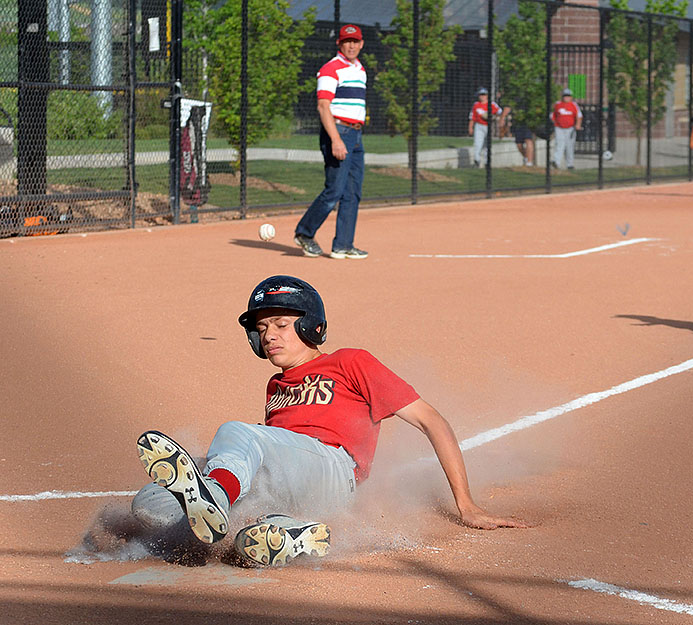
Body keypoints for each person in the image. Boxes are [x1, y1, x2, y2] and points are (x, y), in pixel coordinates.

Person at [133, 275, 528, 567]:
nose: (269, 335)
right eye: (262, 329)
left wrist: (466, 504)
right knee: (149, 502)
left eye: (281, 325)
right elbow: (277, 451)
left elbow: (432, 422)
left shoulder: (349, 361)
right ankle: (286, 533)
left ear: (310, 326)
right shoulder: (275, 386)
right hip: (298, 481)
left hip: (334, 470)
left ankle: (217, 496)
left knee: (235, 435)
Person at [293, 24, 368, 260]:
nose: (352, 45)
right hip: (338, 132)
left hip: (355, 135)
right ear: (340, 44)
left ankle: (343, 245)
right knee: (335, 190)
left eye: (355, 41)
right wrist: (336, 139)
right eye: (347, 41)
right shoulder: (330, 69)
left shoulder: (360, 70)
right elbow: (323, 106)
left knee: (353, 192)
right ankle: (305, 233)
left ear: (361, 43)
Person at [468, 87, 502, 168]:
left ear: (487, 96)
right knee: (477, 143)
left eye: (484, 95)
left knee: (487, 145)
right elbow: (472, 117)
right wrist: (470, 127)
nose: (482, 96)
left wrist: (494, 116)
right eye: (481, 95)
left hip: (488, 126)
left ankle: (487, 162)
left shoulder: (492, 104)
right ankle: (477, 160)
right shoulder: (476, 105)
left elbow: (500, 111)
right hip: (479, 125)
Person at [550, 88, 583, 170]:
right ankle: (556, 162)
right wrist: (555, 123)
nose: (567, 98)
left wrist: (578, 125)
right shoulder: (558, 104)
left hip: (570, 128)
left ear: (571, 97)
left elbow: (579, 116)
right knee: (559, 144)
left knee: (569, 146)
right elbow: (552, 115)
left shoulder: (574, 105)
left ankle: (570, 164)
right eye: (565, 96)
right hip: (559, 128)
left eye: (568, 96)